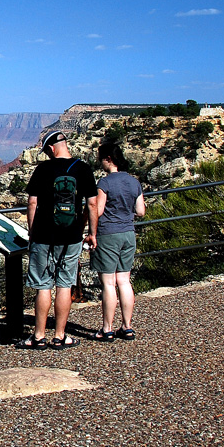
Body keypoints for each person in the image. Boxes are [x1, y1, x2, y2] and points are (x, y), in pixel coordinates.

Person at [16, 130, 98, 349]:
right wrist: (91, 233)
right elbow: (92, 205)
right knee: (64, 285)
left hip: (43, 235)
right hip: (71, 237)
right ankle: (60, 335)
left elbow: (32, 203)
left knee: (43, 286)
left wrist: (32, 233)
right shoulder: (83, 168)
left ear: (51, 148)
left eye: (46, 151)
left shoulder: (43, 169)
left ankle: (39, 336)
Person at [89, 141, 145, 341]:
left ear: (108, 159)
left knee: (108, 283)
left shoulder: (104, 183)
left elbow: (98, 210)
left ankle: (107, 329)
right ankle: (127, 327)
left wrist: (91, 232)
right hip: (128, 234)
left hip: (108, 235)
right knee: (124, 280)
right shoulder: (134, 182)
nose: (99, 163)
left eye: (101, 159)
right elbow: (141, 211)